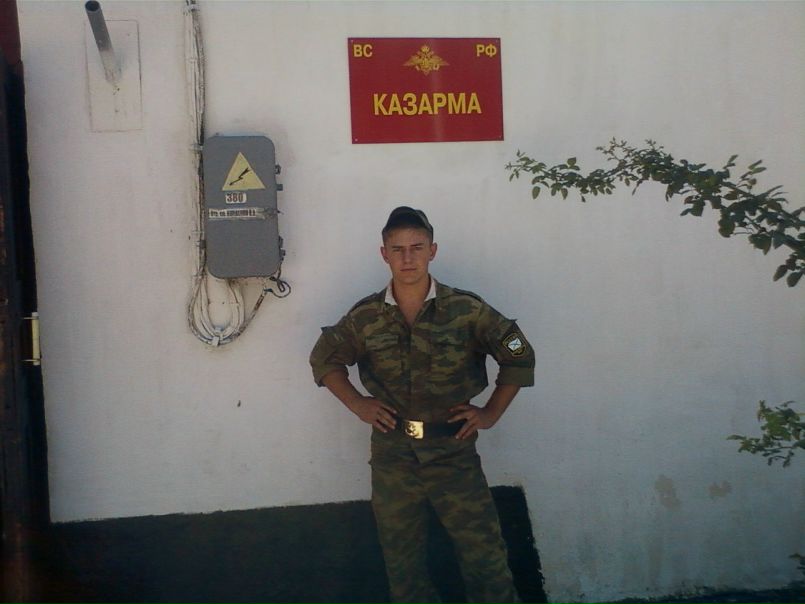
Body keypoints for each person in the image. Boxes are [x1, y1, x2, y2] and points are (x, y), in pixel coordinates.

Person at [309, 206, 535, 604]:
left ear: (433, 250)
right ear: (384, 254)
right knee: (403, 565)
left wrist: (490, 413)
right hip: (393, 455)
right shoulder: (365, 317)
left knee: (485, 557)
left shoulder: (467, 310)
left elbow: (519, 354)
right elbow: (324, 359)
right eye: (397, 249)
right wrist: (359, 404)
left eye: (417, 247)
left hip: (453, 451)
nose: (408, 258)